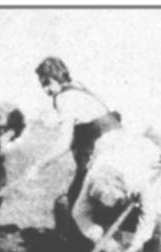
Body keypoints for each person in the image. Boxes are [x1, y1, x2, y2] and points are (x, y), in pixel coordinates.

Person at [28, 56, 122, 241]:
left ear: (55, 78)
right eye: (42, 85)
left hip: (101, 159)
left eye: (47, 83)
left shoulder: (65, 98)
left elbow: (64, 142)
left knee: (71, 205)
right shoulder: (82, 91)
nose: (46, 90)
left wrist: (38, 165)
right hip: (121, 155)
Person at [72, 129, 161, 252]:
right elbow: (79, 213)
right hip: (115, 150)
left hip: (156, 167)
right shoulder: (93, 175)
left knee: (154, 222)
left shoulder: (142, 182)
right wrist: (102, 240)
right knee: (104, 216)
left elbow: (148, 217)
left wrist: (135, 246)